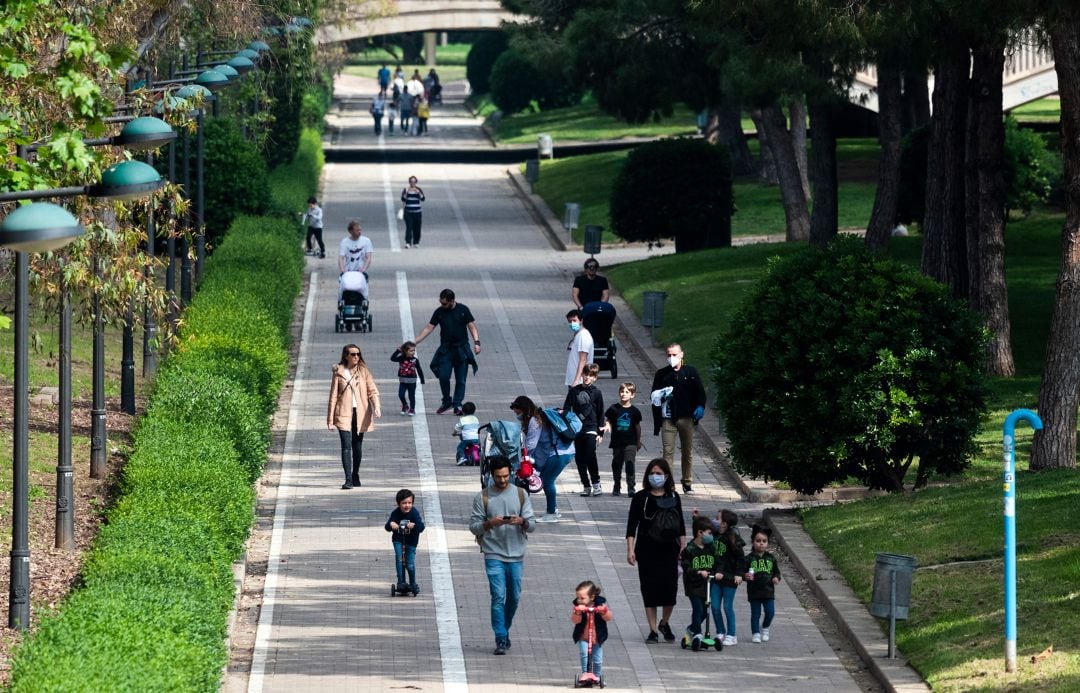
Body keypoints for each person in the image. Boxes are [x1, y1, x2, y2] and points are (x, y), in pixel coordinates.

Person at [469, 456, 535, 655]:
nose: (503, 480)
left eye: (506, 476)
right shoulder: (483, 497)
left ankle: (504, 629)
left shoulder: (522, 494)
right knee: (498, 596)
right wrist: (490, 523)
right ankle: (500, 637)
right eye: (499, 477)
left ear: (511, 473)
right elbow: (473, 527)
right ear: (492, 476)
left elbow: (532, 525)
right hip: (493, 553)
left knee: (513, 597)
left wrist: (522, 521)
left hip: (516, 554)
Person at [625, 458, 685, 644]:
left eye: (659, 473)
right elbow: (631, 526)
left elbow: (681, 525)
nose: (655, 477)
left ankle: (664, 623)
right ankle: (652, 630)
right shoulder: (640, 498)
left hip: (670, 550)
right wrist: (630, 550)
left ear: (666, 476)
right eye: (652, 473)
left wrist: (683, 547)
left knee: (670, 590)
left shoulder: (674, 497)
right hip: (647, 549)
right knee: (649, 590)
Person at [650, 343, 707, 494]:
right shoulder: (662, 374)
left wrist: (700, 406)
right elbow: (653, 395)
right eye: (669, 355)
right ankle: (668, 484)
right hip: (668, 418)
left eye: (674, 355)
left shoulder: (691, 372)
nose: (671, 358)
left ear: (682, 355)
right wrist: (662, 396)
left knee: (687, 451)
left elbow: (700, 393)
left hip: (686, 418)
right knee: (667, 452)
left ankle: (687, 482)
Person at [414, 289, 480, 415]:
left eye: (444, 303)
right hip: (446, 349)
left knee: (461, 380)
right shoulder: (439, 312)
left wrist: (477, 343)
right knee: (443, 376)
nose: (442, 305)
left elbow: (471, 326)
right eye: (441, 302)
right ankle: (447, 401)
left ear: (452, 301)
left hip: (461, 349)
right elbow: (429, 327)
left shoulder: (463, 310)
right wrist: (415, 342)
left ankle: (457, 404)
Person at [513, 395, 575, 523]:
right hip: (564, 451)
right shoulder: (538, 417)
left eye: (518, 412)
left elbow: (531, 444)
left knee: (547, 481)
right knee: (547, 480)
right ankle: (554, 510)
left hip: (559, 454)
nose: (517, 415)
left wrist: (520, 456)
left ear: (524, 409)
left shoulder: (535, 420)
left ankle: (551, 513)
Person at [327, 344, 381, 489]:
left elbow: (372, 391)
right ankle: (348, 479)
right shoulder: (338, 372)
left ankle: (355, 473)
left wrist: (377, 407)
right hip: (343, 412)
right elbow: (333, 396)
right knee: (346, 446)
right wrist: (330, 419)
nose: (356, 356)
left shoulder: (363, 371)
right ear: (346, 356)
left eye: (358, 354)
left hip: (360, 413)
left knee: (357, 446)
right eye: (353, 354)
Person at [679, 515, 722, 651]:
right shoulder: (689, 549)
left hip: (707, 585)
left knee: (705, 611)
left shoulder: (711, 548)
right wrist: (698, 571)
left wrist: (719, 572)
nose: (711, 537)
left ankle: (691, 629)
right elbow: (686, 567)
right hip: (693, 586)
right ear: (700, 533)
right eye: (709, 533)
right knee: (698, 609)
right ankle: (697, 633)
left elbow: (718, 562)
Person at [564, 363, 605, 497]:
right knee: (579, 459)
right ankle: (586, 485)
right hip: (577, 429)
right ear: (581, 374)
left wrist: (600, 432)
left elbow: (600, 413)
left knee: (590, 455)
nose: (587, 377)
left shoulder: (597, 393)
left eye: (590, 376)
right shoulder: (574, 391)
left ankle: (596, 483)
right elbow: (566, 408)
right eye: (585, 374)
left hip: (591, 428)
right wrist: (567, 422)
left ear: (595, 378)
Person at [708, 508, 745, 645]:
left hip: (729, 578)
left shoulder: (733, 538)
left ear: (725, 523)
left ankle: (731, 634)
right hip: (716, 578)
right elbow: (703, 531)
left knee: (727, 606)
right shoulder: (715, 535)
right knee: (715, 606)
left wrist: (739, 574)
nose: (715, 521)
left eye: (717, 519)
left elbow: (741, 558)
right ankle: (720, 631)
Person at [603, 381, 643, 496]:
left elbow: (637, 427)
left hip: (631, 442)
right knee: (616, 464)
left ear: (632, 395)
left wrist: (638, 441)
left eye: (627, 392)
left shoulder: (635, 411)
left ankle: (631, 487)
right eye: (621, 391)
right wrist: (607, 425)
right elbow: (608, 420)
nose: (623, 394)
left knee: (629, 463)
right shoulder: (614, 408)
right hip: (617, 442)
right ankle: (616, 485)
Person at [745, 524, 782, 644]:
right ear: (753, 542)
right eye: (758, 541)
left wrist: (776, 578)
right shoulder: (749, 558)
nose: (761, 543)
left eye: (764, 541)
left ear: (767, 543)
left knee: (770, 612)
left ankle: (765, 627)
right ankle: (755, 633)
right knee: (755, 614)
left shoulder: (771, 558)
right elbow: (742, 572)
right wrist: (745, 576)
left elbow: (777, 572)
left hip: (768, 591)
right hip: (754, 590)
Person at [570, 580, 612, 681]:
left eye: (582, 598)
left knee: (597, 659)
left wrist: (604, 611)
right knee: (584, 654)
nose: (579, 600)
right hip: (583, 637)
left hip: (597, 637)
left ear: (592, 597)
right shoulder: (578, 607)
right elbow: (575, 621)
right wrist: (578, 612)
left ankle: (597, 676)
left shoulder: (600, 605)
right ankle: (585, 673)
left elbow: (608, 618)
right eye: (578, 598)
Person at [385, 488, 425, 594]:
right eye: (404, 503)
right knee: (399, 560)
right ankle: (401, 582)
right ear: (399, 504)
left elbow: (421, 527)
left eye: (409, 503)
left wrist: (414, 526)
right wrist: (391, 525)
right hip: (398, 539)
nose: (407, 505)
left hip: (411, 541)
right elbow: (387, 526)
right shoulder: (396, 513)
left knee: (409, 564)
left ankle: (413, 583)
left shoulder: (414, 513)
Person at [391, 341, 425, 416]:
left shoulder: (415, 360)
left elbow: (419, 370)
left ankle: (412, 409)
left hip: (412, 381)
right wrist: (397, 351)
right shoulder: (401, 358)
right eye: (411, 351)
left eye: (414, 350)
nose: (413, 352)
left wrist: (422, 379)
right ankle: (405, 405)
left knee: (411, 395)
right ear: (405, 351)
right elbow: (392, 358)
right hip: (403, 381)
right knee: (401, 394)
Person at [565, 309, 594, 389]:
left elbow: (583, 359)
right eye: (570, 321)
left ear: (581, 320)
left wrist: (577, 380)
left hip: (579, 382)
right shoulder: (578, 335)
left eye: (574, 320)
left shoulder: (583, 336)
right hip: (574, 380)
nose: (572, 323)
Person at [400, 176, 425, 248]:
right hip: (408, 212)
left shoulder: (418, 189)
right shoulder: (406, 189)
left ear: (416, 182)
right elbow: (403, 199)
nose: (412, 183)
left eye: (414, 182)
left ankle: (416, 242)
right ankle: (408, 242)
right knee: (409, 227)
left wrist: (418, 193)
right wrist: (406, 193)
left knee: (417, 227)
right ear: (409, 182)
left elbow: (423, 199)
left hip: (417, 212)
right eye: (411, 182)